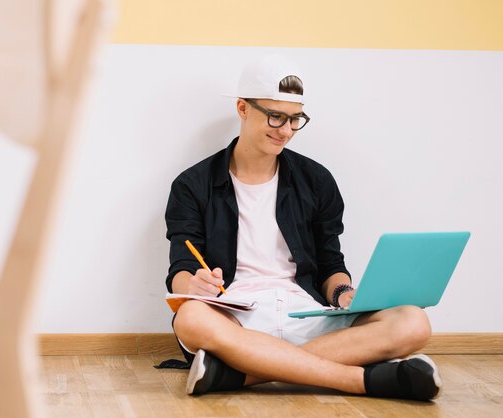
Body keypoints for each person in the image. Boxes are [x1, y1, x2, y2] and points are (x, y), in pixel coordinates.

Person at [164, 55, 441, 401]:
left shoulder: (316, 180)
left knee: (414, 321)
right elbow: (181, 270)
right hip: (236, 321)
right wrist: (195, 284)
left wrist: (344, 294)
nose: (286, 131)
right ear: (242, 108)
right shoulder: (192, 185)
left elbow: (330, 265)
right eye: (276, 116)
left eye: (296, 119)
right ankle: (362, 380)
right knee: (190, 318)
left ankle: (239, 375)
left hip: (306, 314)